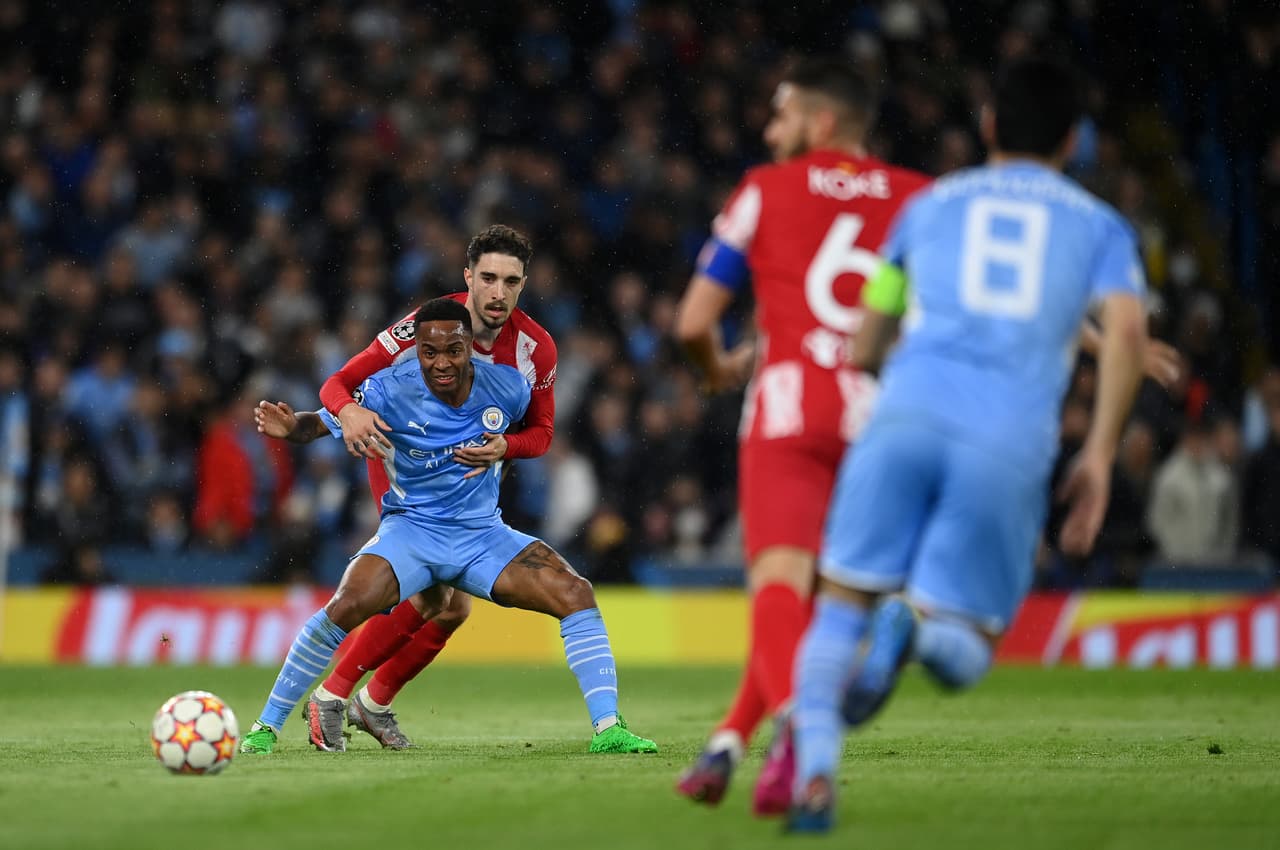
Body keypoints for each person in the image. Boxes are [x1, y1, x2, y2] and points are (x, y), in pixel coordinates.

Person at [779, 58, 1148, 833]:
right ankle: (917, 627)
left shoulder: (929, 205)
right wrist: (1101, 454)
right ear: (1074, 141)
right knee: (972, 641)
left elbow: (869, 336)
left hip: (905, 416)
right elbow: (1127, 333)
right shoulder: (1099, 225)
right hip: (1007, 442)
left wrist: (893, 365)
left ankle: (814, 778)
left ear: (986, 127)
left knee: (839, 607)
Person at [672, 57, 931, 813]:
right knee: (816, 610)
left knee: (778, 593)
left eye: (780, 115)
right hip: (881, 415)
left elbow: (691, 322)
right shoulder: (919, 198)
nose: (767, 129)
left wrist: (717, 366)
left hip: (788, 411)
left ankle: (797, 732)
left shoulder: (763, 188)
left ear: (820, 123)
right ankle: (725, 743)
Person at [239, 298, 655, 756]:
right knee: (347, 604)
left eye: (453, 351)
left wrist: (508, 445)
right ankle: (266, 727)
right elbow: (321, 423)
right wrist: (291, 427)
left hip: (482, 535)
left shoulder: (508, 387)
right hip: (412, 532)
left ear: (469, 348)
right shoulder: (389, 389)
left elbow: (541, 434)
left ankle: (609, 728)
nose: (441, 363)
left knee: (575, 594)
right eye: (429, 353)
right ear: (416, 350)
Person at [300, 224, 557, 751]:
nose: (498, 292)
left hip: (468, 475)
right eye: (488, 278)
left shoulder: (536, 350)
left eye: (511, 281)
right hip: (404, 463)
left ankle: (372, 704)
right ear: (468, 278)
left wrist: (505, 447)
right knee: (438, 591)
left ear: (523, 285)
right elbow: (337, 383)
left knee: (454, 608)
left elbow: (542, 434)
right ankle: (334, 696)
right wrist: (347, 412)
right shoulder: (425, 326)